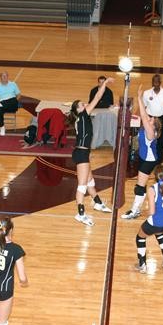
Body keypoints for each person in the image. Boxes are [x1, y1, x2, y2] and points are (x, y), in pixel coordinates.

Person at [68, 77, 115, 226]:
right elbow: (97, 97)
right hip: (81, 154)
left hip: (83, 153)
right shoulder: (83, 115)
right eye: (82, 104)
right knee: (82, 186)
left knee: (90, 182)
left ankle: (98, 203)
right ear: (79, 110)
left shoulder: (82, 117)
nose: (85, 104)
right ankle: (80, 214)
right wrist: (105, 83)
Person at [122, 85, 162, 220]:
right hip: (144, 158)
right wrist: (141, 102)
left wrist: (139, 98)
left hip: (149, 161)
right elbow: (141, 115)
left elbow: (144, 117)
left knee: (139, 186)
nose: (149, 119)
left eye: (151, 120)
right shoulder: (146, 128)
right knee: (141, 185)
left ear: (154, 125)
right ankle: (137, 209)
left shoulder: (151, 132)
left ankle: (134, 211)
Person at [135, 164, 163, 274]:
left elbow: (152, 212)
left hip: (157, 221)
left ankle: (142, 264)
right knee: (159, 232)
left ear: (154, 175)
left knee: (140, 237)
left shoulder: (152, 189)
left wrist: (142, 212)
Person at [142, 74, 163, 163]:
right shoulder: (146, 93)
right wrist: (142, 122)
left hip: (161, 119)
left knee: (160, 141)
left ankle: (158, 162)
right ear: (152, 82)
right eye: (154, 81)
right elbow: (143, 108)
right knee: (148, 139)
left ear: (160, 82)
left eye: (157, 81)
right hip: (149, 119)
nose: (155, 83)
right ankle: (147, 159)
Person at [0, 71, 21, 136]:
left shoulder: (13, 84)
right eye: (3, 76)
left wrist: (16, 100)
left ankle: (0, 105)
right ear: (0, 77)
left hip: (12, 104)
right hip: (2, 105)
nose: (4, 77)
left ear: (8, 77)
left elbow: (18, 95)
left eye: (6, 75)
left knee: (12, 100)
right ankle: (2, 127)